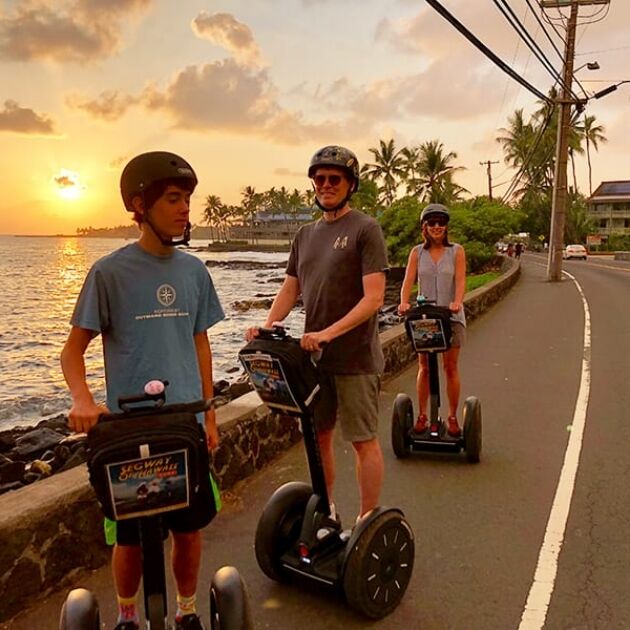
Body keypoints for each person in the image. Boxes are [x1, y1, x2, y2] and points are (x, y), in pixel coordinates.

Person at [60, 151, 224, 630]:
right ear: (139, 205)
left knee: (189, 532)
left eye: (187, 200)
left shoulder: (194, 272)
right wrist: (82, 399)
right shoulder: (109, 273)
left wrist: (209, 413)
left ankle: (187, 611)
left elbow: (201, 346)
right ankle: (128, 617)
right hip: (129, 432)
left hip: (186, 426)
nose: (184, 209)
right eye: (173, 199)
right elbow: (72, 353)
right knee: (127, 538)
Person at [246, 145, 388, 524]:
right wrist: (269, 324)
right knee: (319, 436)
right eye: (319, 178)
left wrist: (328, 332)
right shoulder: (305, 235)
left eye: (334, 179)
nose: (325, 185)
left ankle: (367, 521)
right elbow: (291, 288)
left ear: (349, 184)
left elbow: (374, 298)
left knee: (362, 440)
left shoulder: (365, 229)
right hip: (316, 360)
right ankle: (328, 512)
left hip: (355, 358)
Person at [398, 203, 466, 437]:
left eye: (441, 223)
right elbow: (408, 281)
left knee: (450, 367)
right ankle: (422, 415)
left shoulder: (457, 251)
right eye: (432, 223)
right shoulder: (417, 252)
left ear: (446, 227)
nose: (437, 227)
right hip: (425, 316)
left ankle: (453, 417)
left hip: (451, 316)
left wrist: (457, 302)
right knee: (425, 367)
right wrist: (403, 302)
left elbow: (460, 280)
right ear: (424, 228)